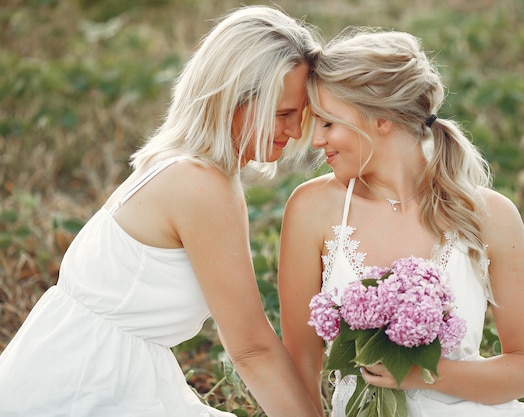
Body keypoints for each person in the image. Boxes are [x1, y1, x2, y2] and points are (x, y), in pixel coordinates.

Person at [0, 6, 322, 417]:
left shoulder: (181, 163)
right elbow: (250, 347)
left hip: (85, 370)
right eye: (283, 115)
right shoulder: (198, 184)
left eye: (302, 115)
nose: (296, 132)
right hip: (80, 390)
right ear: (233, 100)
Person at [278, 28, 524, 416]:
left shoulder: (491, 216)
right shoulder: (311, 209)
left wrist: (419, 373)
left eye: (327, 123)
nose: (317, 141)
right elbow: (301, 363)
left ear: (381, 119)